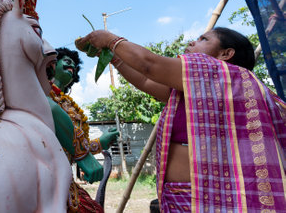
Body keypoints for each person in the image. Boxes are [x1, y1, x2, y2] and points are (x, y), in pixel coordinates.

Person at [76, 27, 286, 212]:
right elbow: (146, 79)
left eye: (204, 39)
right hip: (180, 195)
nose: (192, 42)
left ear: (226, 54)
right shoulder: (190, 90)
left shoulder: (218, 73)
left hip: (208, 196)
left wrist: (110, 39)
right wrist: (113, 56)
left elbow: (149, 65)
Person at [48, 47, 119, 212]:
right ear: (51, 64)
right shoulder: (41, 91)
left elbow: (73, 147)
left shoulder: (69, 105)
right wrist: (84, 156)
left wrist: (101, 143)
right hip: (42, 176)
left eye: (74, 64)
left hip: (66, 183)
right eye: (66, 60)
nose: (71, 65)